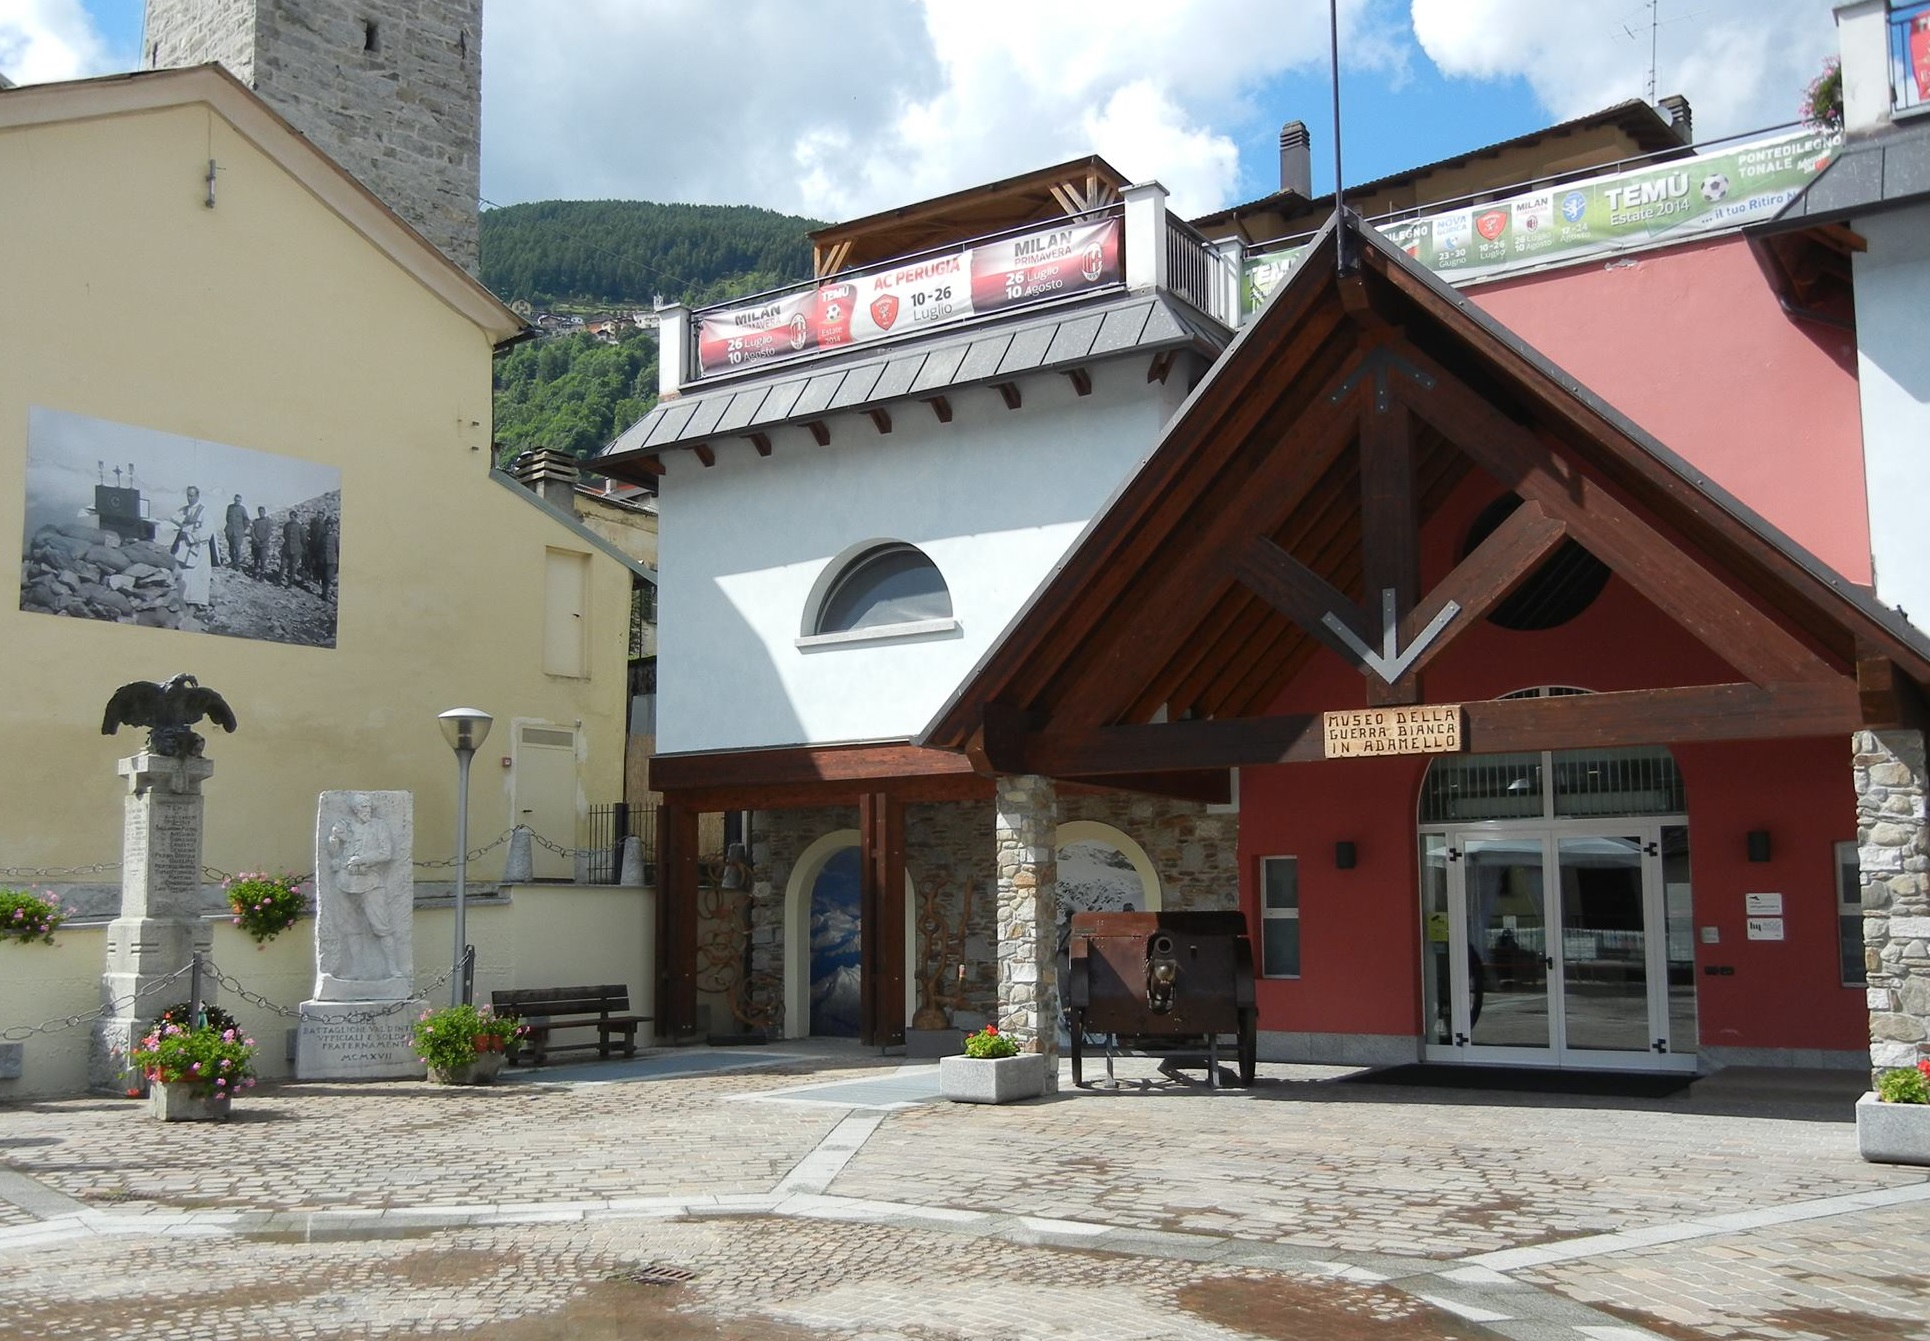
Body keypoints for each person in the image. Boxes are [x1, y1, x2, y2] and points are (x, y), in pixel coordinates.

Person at [325, 794, 403, 981]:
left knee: (382, 926)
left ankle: (392, 968)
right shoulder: (346, 824)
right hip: (346, 882)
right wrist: (334, 838)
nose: (367, 811)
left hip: (371, 882)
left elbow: (387, 852)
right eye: (363, 808)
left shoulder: (378, 826)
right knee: (350, 927)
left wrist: (364, 859)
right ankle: (358, 969)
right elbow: (334, 852)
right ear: (355, 809)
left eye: (368, 807)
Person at [169, 485, 211, 611]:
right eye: (188, 495)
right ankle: (184, 599)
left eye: (192, 495)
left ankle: (197, 601)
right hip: (184, 547)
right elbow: (174, 518)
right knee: (184, 573)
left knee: (197, 575)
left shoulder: (204, 512)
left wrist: (192, 536)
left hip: (198, 549)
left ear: (197, 496)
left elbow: (208, 531)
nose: (189, 498)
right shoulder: (185, 509)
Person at [224, 495, 248, 578]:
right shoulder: (230, 507)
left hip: (238, 531)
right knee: (231, 547)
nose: (237, 502)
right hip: (230, 530)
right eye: (236, 500)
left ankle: (237, 564)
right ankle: (232, 561)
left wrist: (242, 529)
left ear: (240, 501)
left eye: (239, 500)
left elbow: (246, 520)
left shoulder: (242, 509)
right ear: (234, 500)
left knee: (237, 548)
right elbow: (227, 518)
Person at [281, 511, 306, 589]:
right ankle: (279, 580)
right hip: (287, 548)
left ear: (296, 517)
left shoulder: (300, 527)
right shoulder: (286, 526)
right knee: (283, 565)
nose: (292, 518)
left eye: (293, 517)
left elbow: (304, 539)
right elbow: (285, 536)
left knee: (293, 566)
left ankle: (290, 582)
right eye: (290, 517)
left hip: (296, 550)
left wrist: (300, 547)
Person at [250, 506, 273, 580]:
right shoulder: (255, 521)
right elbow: (252, 532)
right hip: (256, 544)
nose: (261, 513)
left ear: (265, 512)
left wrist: (262, 539)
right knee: (256, 558)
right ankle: (255, 572)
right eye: (260, 512)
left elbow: (268, 533)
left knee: (263, 559)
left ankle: (262, 573)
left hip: (264, 544)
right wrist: (255, 539)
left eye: (262, 512)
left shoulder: (268, 522)